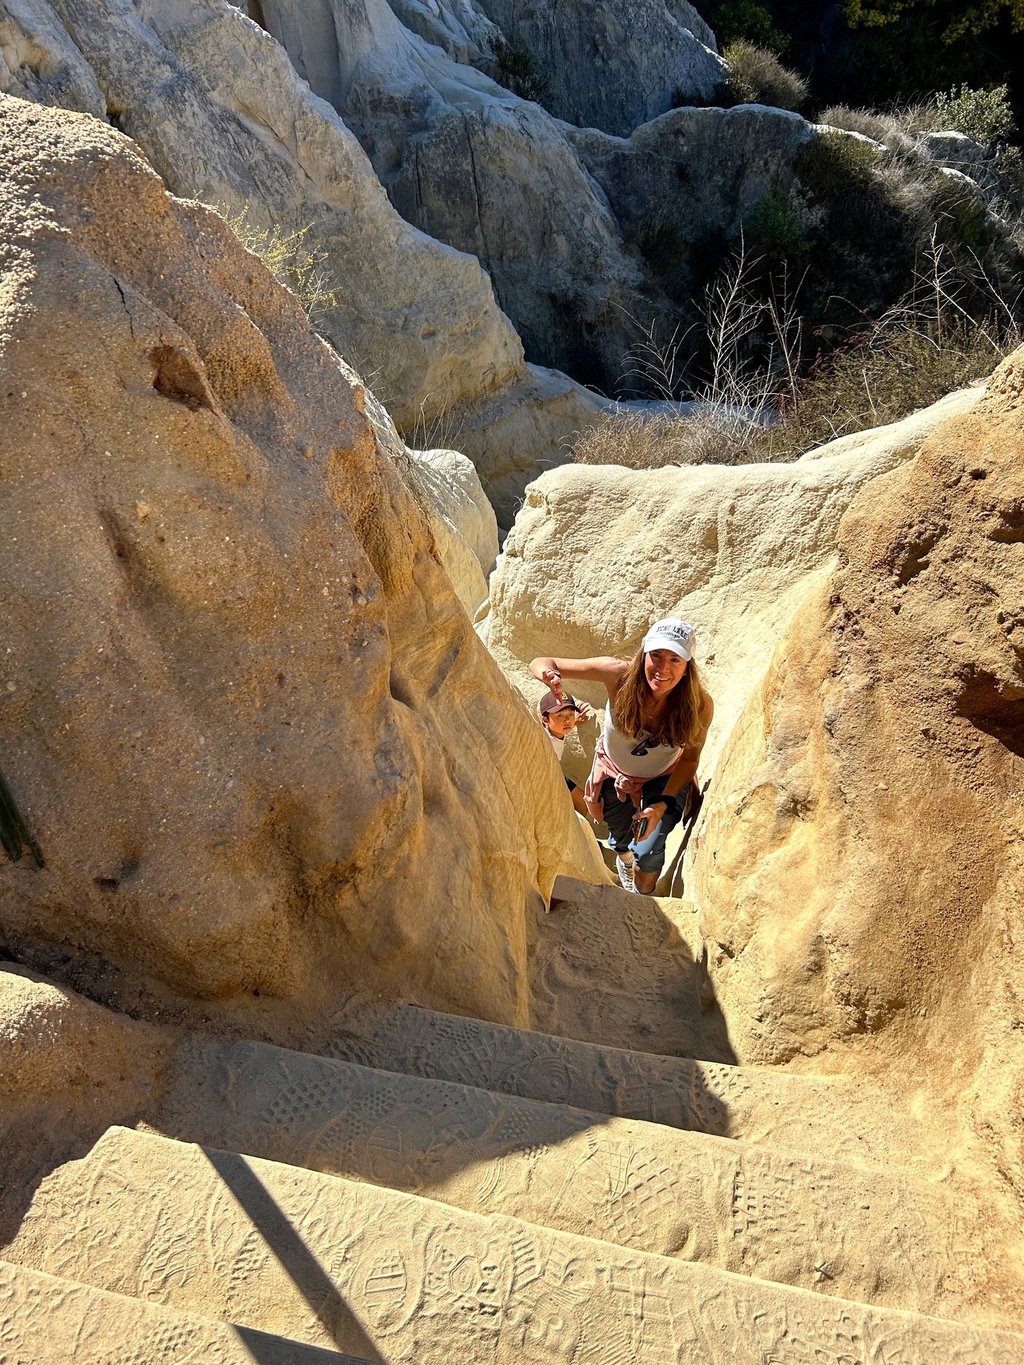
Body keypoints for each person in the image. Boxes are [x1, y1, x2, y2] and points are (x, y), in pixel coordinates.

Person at [530, 618, 713, 894]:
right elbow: (543, 661)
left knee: (649, 851)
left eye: (675, 659)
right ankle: (625, 862)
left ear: (687, 667)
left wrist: (662, 804)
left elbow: (689, 760)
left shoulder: (698, 704)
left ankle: (643, 895)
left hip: (663, 779)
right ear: (643, 655)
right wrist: (548, 675)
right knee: (621, 836)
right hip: (614, 772)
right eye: (656, 656)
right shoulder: (618, 675)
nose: (663, 668)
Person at [538, 688, 592, 817]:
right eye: (560, 715)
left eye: (570, 714)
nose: (567, 720)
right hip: (544, 777)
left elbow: (563, 724)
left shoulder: (556, 731)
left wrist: (574, 722)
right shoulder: (542, 737)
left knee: (582, 801)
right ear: (545, 719)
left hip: (554, 772)